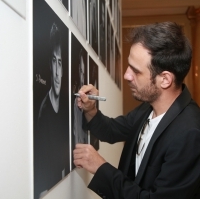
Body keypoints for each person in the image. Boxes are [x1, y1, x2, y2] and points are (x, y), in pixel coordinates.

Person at [73, 22, 200, 199]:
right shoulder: (149, 107)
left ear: (165, 80)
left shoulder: (190, 134)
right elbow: (112, 130)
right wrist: (90, 109)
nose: (126, 75)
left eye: (136, 71)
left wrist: (101, 168)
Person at [35, 23, 69, 198]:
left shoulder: (65, 106)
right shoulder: (44, 113)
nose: (57, 72)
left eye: (60, 63)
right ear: (50, 64)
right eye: (54, 62)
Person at [73, 49, 88, 145]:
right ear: (78, 70)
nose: (82, 77)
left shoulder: (86, 98)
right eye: (81, 71)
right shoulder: (75, 100)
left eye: (84, 73)